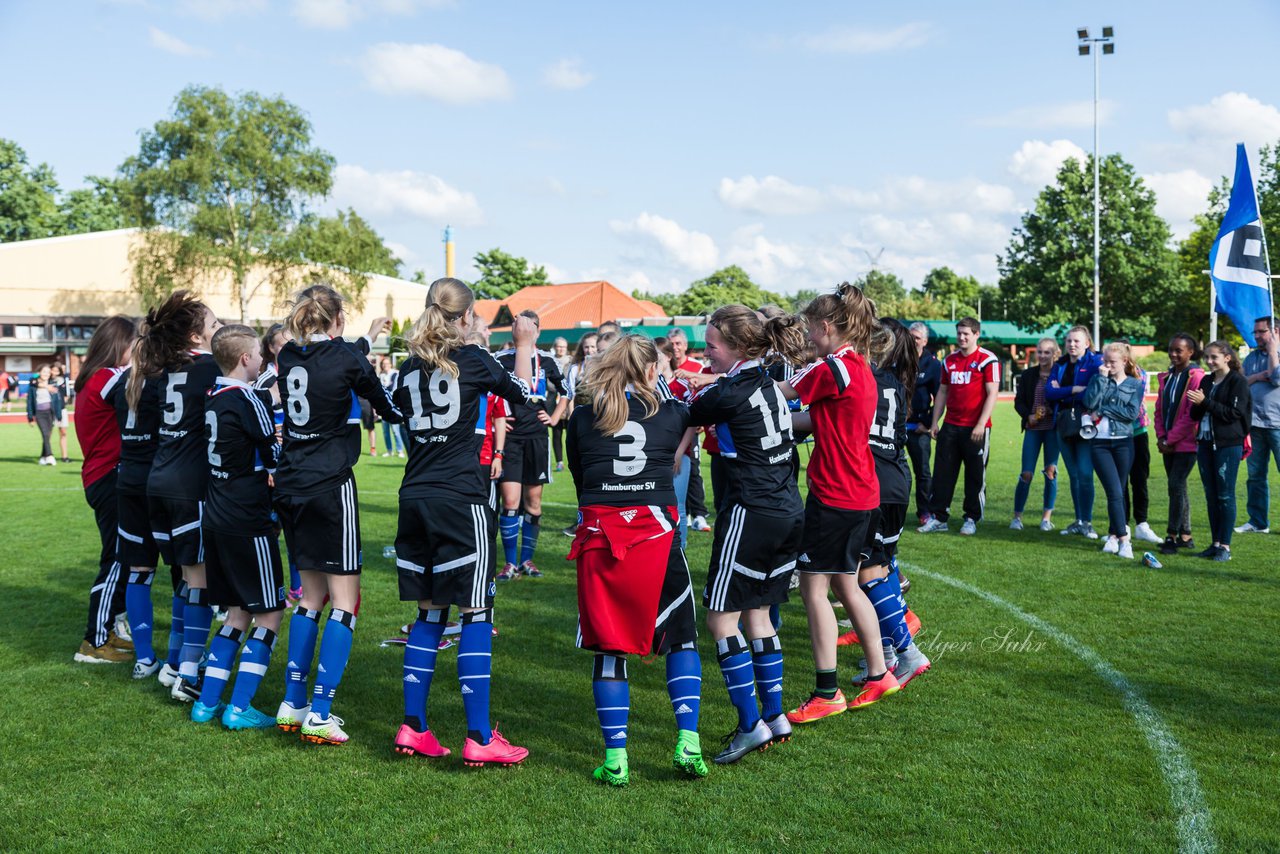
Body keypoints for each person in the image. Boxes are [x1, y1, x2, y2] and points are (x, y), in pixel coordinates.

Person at [391, 278, 535, 766]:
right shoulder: (474, 359)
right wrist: (523, 345)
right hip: (460, 499)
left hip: (415, 496)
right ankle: (478, 735)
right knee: (476, 613)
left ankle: (414, 727)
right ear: (467, 316)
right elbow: (524, 391)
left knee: (430, 613)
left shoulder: (409, 367)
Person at [566, 334, 707, 785]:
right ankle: (688, 740)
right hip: (658, 538)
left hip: (601, 541)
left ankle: (616, 759)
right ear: (651, 371)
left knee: (609, 648)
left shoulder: (584, 418)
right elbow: (674, 460)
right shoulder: (672, 414)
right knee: (681, 639)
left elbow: (579, 476)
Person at [272, 284, 402, 745]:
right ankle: (321, 711)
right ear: (338, 318)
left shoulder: (286, 355)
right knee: (345, 601)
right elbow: (384, 405)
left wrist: (359, 340)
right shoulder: (347, 357)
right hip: (329, 485)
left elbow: (333, 355)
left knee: (310, 597)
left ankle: (293, 701)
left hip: (290, 483)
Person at [684, 304, 807, 763]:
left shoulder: (731, 390)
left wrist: (697, 386)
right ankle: (775, 715)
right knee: (758, 614)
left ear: (735, 346)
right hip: (787, 509)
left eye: (712, 345)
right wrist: (713, 381)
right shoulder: (770, 384)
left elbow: (690, 411)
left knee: (720, 619)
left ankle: (750, 723)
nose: (705, 352)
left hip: (749, 511)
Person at [775, 284, 900, 727]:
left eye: (810, 328)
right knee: (847, 586)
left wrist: (715, 386)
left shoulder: (831, 367)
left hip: (836, 495)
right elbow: (816, 418)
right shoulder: (858, 366)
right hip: (862, 493)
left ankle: (827, 692)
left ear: (826, 326)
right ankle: (880, 673)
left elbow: (777, 394)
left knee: (814, 590)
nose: (807, 337)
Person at [189, 324, 287, 728]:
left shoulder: (214, 398)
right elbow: (274, 453)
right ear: (246, 359)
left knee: (236, 614)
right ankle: (240, 707)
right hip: (248, 519)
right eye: (259, 355)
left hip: (216, 517)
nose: (263, 360)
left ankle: (206, 703)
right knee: (270, 613)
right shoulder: (248, 400)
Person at [128, 291, 223, 703]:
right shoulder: (210, 369)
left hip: (158, 484)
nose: (222, 331)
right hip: (189, 486)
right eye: (216, 326)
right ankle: (188, 673)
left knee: (186, 578)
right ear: (197, 338)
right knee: (199, 581)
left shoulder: (160, 370)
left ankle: (174, 663)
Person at [852, 319, 931, 686]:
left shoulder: (863, 378)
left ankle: (907, 652)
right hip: (896, 481)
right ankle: (884, 655)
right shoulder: (898, 384)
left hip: (873, 484)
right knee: (878, 569)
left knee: (865, 574)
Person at [71, 316, 137, 664]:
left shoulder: (91, 379)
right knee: (113, 560)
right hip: (108, 478)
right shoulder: (109, 377)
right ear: (120, 345)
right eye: (134, 343)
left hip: (101, 477)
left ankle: (108, 630)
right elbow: (141, 386)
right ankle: (94, 641)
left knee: (120, 558)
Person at [110, 342, 175, 682]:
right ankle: (179, 660)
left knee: (139, 571)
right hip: (160, 483)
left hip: (128, 482)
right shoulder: (164, 384)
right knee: (184, 571)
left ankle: (145, 658)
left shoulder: (124, 383)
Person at [495, 310, 568, 580]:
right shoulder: (500, 359)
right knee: (511, 501)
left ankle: (528, 560)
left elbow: (566, 391)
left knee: (533, 502)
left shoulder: (548, 359)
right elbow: (488, 393)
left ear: (537, 331)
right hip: (511, 437)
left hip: (537, 435)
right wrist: (498, 421)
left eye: (530, 326)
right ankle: (510, 563)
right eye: (518, 325)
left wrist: (555, 416)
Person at [917, 317, 1000, 536]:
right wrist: (935, 421)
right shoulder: (949, 361)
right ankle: (939, 517)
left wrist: (981, 424)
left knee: (975, 475)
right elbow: (942, 392)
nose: (962, 337)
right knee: (943, 474)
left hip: (976, 428)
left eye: (966, 334)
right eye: (959, 333)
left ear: (976, 335)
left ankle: (971, 518)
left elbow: (993, 393)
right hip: (951, 426)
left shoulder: (987, 359)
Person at [1187, 341, 1252, 561]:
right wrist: (1196, 404)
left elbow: (1234, 413)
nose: (1209, 361)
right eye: (1207, 357)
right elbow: (1195, 415)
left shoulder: (1238, 381)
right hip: (1205, 443)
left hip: (1227, 444)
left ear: (1227, 357)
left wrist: (1205, 402)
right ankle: (1215, 544)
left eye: (1214, 357)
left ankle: (1225, 546)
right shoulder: (1207, 379)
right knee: (1211, 496)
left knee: (1225, 495)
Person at [1083, 342, 1145, 559]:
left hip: (1124, 442)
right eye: (1105, 360)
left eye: (1112, 361)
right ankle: (1124, 540)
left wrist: (1103, 408)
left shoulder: (1135, 384)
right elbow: (1089, 401)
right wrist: (1100, 380)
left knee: (1118, 490)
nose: (1107, 365)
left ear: (1124, 362)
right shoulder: (1097, 379)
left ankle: (1112, 535)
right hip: (1099, 443)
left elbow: (1131, 414)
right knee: (1114, 492)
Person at [1044, 326, 1103, 539]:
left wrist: (1066, 392)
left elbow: (1094, 393)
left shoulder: (1096, 362)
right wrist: (1072, 390)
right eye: (1069, 341)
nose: (1072, 344)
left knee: (1086, 474)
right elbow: (1049, 393)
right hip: (1063, 424)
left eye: (1077, 341)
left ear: (1087, 343)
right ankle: (1078, 521)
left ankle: (1087, 522)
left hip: (1086, 423)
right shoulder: (1059, 365)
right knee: (1074, 475)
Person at [1154, 333, 1205, 556]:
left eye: (1179, 350)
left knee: (1175, 486)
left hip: (1186, 444)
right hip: (1168, 443)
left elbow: (1191, 415)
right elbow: (1158, 410)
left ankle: (1171, 536)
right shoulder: (1166, 377)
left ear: (1190, 352)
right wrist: (1161, 437)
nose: (1173, 354)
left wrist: (1171, 439)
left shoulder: (1196, 376)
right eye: (1171, 349)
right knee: (1178, 488)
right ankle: (1186, 536)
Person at [1010, 338, 1060, 531]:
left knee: (1051, 471)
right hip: (1033, 429)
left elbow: (1063, 399)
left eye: (1047, 352)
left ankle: (1046, 518)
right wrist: (1028, 415)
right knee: (1026, 473)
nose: (1042, 355)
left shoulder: (1060, 375)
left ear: (1055, 353)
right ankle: (1017, 517)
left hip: (1052, 429)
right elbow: (1019, 401)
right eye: (1040, 352)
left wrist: (1050, 411)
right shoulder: (1029, 374)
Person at [1238, 315, 1280, 534]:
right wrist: (1258, 376)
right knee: (1255, 476)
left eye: (1260, 332)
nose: (1255, 336)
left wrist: (1273, 352)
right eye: (1255, 332)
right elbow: (1240, 382)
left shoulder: (1277, 354)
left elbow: (1277, 378)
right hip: (1255, 424)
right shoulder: (1251, 358)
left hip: (1278, 425)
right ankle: (1258, 522)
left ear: (1274, 332)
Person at [670, 327, 712, 533]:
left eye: (678, 343)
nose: (675, 347)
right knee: (674, 470)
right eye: (672, 344)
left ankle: (700, 514)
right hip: (672, 431)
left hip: (691, 427)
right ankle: (683, 512)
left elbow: (705, 394)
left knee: (693, 469)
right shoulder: (666, 369)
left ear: (685, 346)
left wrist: (702, 423)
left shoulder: (696, 366)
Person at [1124, 357, 1163, 545]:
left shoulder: (1139, 374)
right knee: (1119, 483)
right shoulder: (1103, 374)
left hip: (1138, 432)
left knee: (1139, 480)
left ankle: (1142, 524)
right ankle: (1121, 527)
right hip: (1116, 435)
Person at [906, 322, 941, 525]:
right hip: (897, 427)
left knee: (923, 473)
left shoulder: (933, 365)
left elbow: (939, 397)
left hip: (919, 428)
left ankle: (924, 511)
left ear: (925, 341)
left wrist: (928, 423)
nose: (913, 340)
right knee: (893, 470)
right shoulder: (898, 360)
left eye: (917, 338)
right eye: (910, 336)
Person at [27, 364, 62, 465]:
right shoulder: (33, 384)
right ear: (39, 373)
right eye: (44, 371)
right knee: (45, 434)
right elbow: (29, 402)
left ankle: (43, 457)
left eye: (48, 372)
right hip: (39, 413)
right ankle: (50, 455)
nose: (46, 374)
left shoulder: (53, 384)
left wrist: (59, 416)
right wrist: (30, 417)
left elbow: (57, 402)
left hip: (50, 412)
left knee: (47, 436)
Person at [377, 356, 407, 458]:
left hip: (393, 406)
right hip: (383, 406)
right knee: (385, 431)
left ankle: (400, 450)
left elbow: (391, 388)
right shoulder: (381, 375)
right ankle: (389, 450)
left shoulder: (395, 374)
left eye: (387, 363)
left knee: (395, 430)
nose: (385, 365)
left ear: (390, 364)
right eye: (383, 364)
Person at [551, 336, 571, 472]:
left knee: (571, 435)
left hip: (569, 402)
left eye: (563, 346)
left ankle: (572, 460)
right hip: (554, 402)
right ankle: (559, 462)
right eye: (559, 346)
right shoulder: (550, 361)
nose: (561, 349)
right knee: (557, 434)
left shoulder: (571, 361)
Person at [49, 362, 71, 463]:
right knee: (48, 433)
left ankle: (65, 456)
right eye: (53, 370)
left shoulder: (63, 381)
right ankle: (48, 454)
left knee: (63, 433)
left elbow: (66, 395)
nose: (55, 372)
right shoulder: (46, 381)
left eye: (57, 370)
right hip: (49, 410)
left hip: (62, 410)